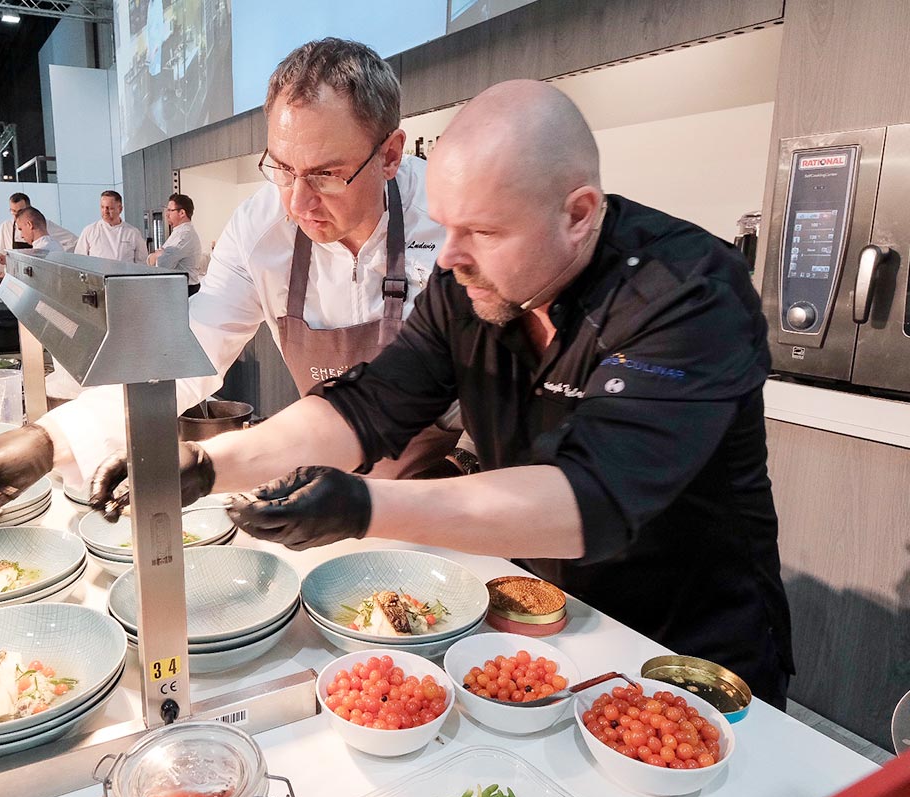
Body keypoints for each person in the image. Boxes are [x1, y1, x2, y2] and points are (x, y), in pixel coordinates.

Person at [93, 80, 797, 707]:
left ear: (579, 213)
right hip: (553, 622)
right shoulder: (474, 285)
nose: (452, 256)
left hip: (693, 652)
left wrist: (363, 505)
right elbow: (367, 405)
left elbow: (594, 499)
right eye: (448, 226)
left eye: (483, 231)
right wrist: (213, 466)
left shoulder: (687, 293)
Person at [0, 39, 462, 524]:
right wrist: (47, 441)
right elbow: (187, 354)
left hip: (452, 496)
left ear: (391, 154)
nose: (298, 202)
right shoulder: (261, 228)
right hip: (327, 481)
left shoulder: (452, 220)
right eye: (281, 168)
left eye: (325, 174)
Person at [0, 192, 77, 271]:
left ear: (30, 224)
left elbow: (32, 268)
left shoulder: (44, 248)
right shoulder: (6, 226)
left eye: (20, 212)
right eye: (13, 212)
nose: (22, 235)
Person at [147, 193, 203, 295]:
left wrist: (157, 255)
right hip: (178, 288)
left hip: (185, 289)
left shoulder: (184, 235)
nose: (167, 214)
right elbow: (154, 261)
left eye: (170, 210)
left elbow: (162, 265)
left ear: (182, 213)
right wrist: (157, 255)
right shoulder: (178, 232)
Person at [74, 190, 148, 263]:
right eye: (102, 207)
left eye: (109, 208)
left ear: (120, 209)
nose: (105, 211)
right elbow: (79, 261)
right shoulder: (89, 231)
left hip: (125, 274)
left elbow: (143, 262)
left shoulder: (133, 233)